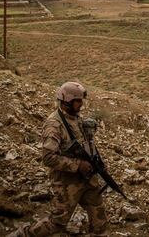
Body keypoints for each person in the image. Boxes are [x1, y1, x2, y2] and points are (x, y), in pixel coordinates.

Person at [10, 82, 108, 237]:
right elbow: (48, 158)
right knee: (57, 223)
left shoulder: (75, 118)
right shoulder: (54, 125)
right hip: (66, 182)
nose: (81, 104)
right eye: (78, 101)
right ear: (67, 101)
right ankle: (23, 234)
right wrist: (78, 165)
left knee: (99, 219)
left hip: (86, 179)